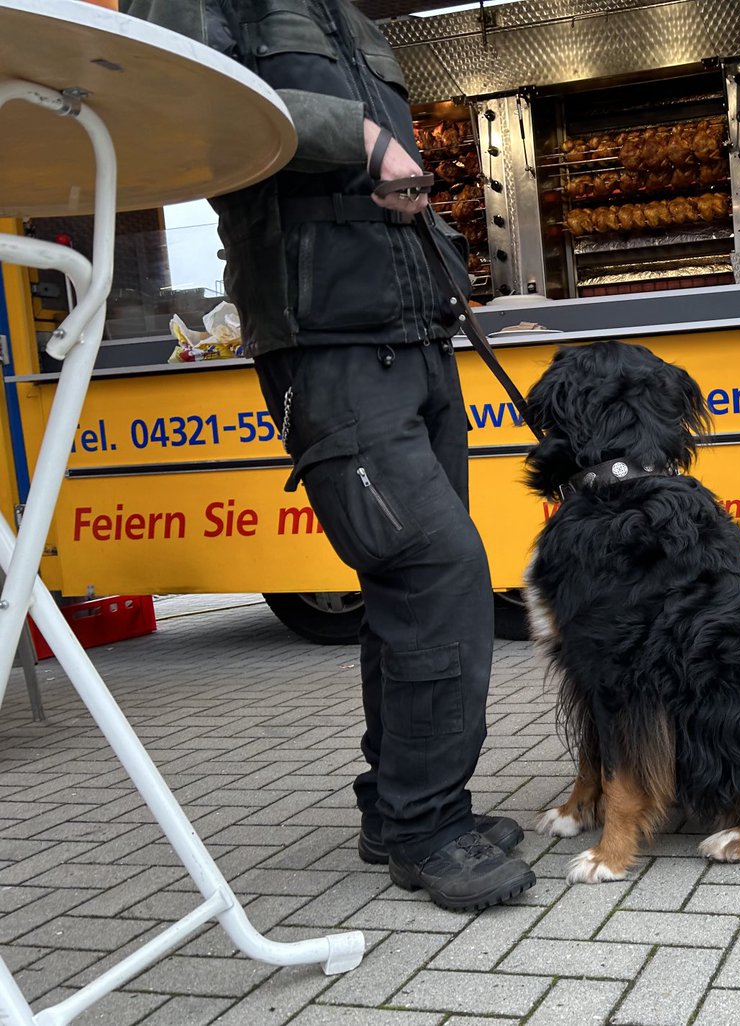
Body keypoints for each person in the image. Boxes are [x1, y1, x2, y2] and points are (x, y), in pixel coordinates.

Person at [124, 0, 536, 912]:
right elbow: (195, 117)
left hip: (417, 334)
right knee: (438, 571)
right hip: (326, 345)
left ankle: (397, 812)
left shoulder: (345, 14)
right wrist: (355, 135)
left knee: (405, 587)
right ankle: (430, 826)